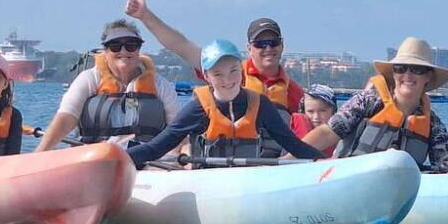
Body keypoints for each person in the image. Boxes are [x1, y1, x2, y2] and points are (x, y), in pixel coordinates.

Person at [127, 40, 326, 169]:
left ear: (241, 71)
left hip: (247, 185)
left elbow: (293, 145)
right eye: (218, 74)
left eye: (233, 71)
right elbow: (157, 147)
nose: (227, 80)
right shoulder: (198, 109)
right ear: (206, 76)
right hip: (207, 187)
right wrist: (120, 158)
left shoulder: (260, 105)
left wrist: (328, 163)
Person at [124, 0, 304, 114]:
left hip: (275, 160)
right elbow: (182, 46)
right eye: (260, 44)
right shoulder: (227, 70)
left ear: (282, 45)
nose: (268, 49)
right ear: (249, 48)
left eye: (273, 42)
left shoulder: (294, 91)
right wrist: (145, 16)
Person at [301, 37, 448, 168]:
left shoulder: (434, 125)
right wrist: (290, 156)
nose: (408, 75)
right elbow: (328, 132)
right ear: (394, 73)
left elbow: (444, 164)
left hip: (398, 191)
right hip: (348, 178)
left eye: (417, 69)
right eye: (401, 68)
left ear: (428, 77)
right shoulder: (366, 102)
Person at [35, 19, 179, 151]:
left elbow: (178, 131)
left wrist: (185, 156)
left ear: (138, 50)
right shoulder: (89, 79)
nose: (123, 51)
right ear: (105, 51)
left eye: (131, 46)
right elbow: (66, 117)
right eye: (115, 46)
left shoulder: (161, 86)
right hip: (97, 158)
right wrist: (40, 154)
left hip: (149, 161)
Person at [290, 84, 337, 157]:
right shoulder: (291, 137)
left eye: (322, 111)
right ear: (303, 111)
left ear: (333, 111)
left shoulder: (343, 135)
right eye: (310, 111)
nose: (316, 117)